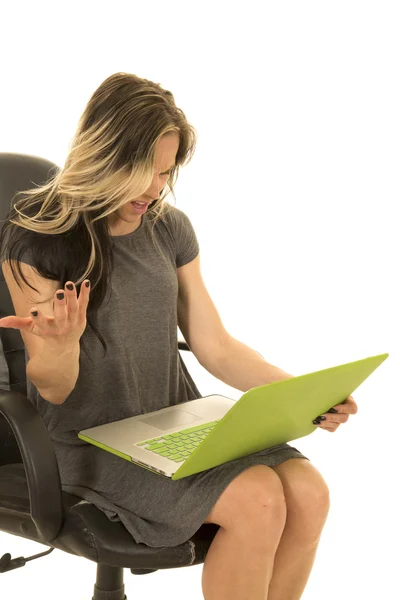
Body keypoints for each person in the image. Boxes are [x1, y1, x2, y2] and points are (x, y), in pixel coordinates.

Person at [0, 72, 357, 600]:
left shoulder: (168, 227)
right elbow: (52, 387)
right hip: (83, 440)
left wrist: (305, 393)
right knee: (258, 499)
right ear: (105, 156)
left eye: (165, 173)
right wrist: (59, 346)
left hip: (171, 425)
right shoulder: (37, 238)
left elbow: (216, 346)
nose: (155, 189)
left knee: (309, 493)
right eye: (143, 172)